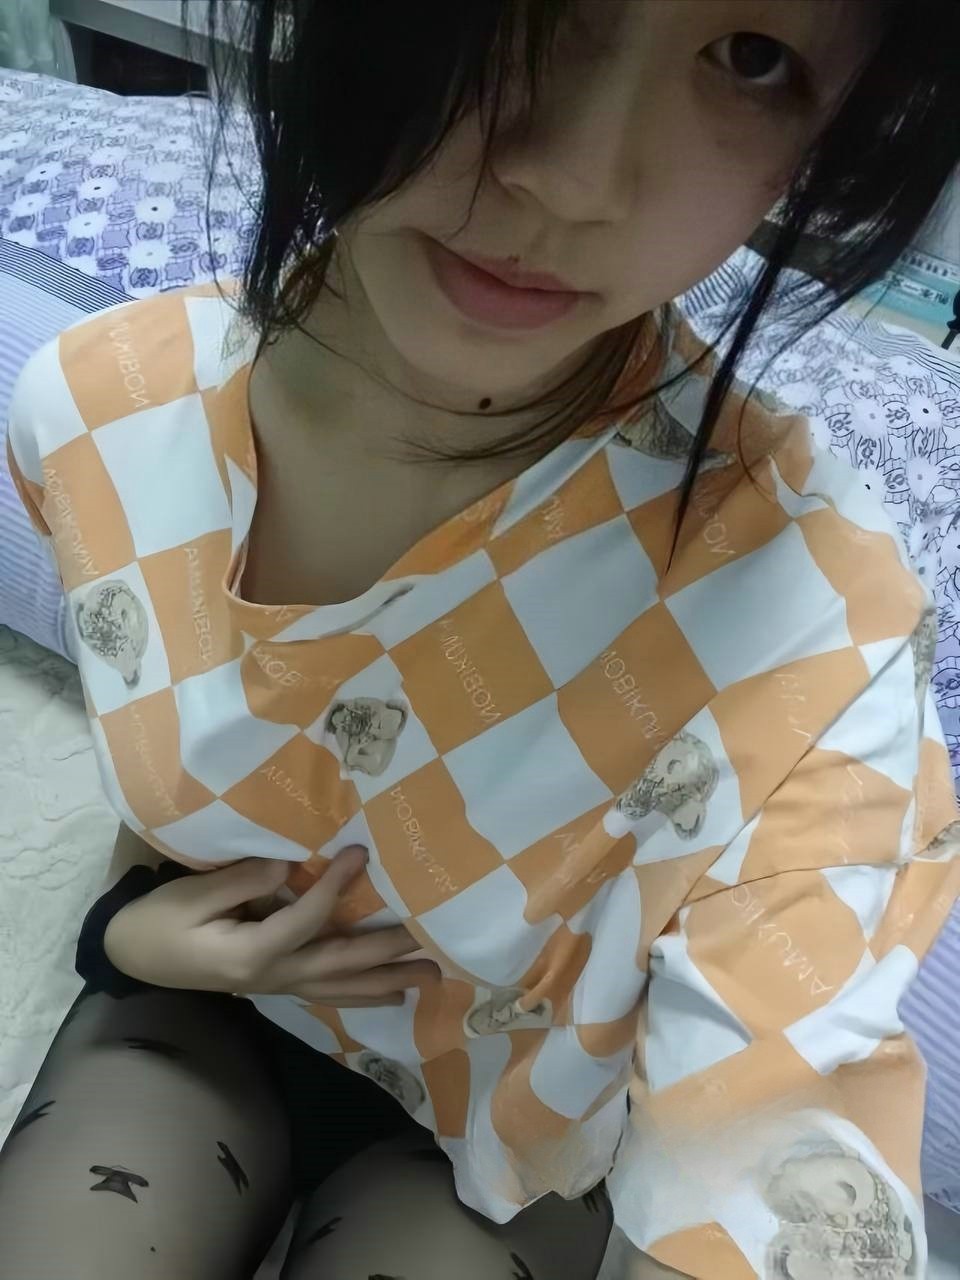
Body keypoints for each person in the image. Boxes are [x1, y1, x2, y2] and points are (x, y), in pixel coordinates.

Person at [2, 1, 960, 1276]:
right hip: (206, 1012)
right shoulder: (99, 414)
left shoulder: (813, 629)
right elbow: (174, 792)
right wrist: (128, 934)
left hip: (513, 1146)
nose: (571, 177)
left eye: (749, 61)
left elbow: (779, 1144)